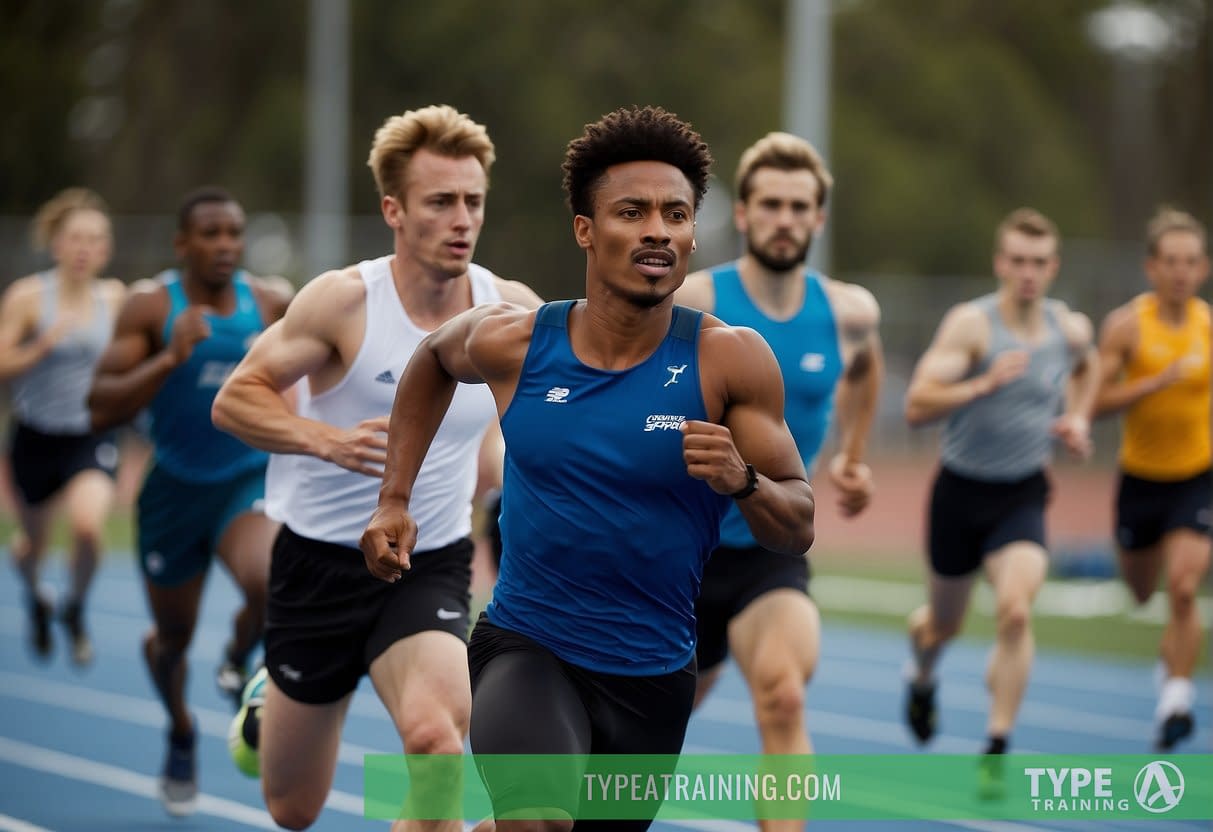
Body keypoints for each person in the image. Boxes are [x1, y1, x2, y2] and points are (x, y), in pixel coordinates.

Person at [361, 105, 816, 832]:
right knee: (538, 820)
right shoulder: (516, 343)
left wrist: (743, 481)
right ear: (585, 230)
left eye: (674, 214)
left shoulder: (729, 358)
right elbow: (431, 362)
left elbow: (797, 525)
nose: (656, 230)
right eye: (631, 212)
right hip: (528, 647)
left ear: (694, 232)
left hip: (655, 675)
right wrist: (394, 497)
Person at [212, 105, 541, 832]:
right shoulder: (343, 303)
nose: (462, 219)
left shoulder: (508, 309)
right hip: (316, 566)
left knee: (434, 744)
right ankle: (271, 694)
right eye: (440, 202)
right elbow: (235, 401)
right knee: (293, 809)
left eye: (473, 201)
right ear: (393, 209)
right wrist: (319, 439)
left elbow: (574, 400)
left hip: (427, 562)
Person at [672, 132, 880, 824]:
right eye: (770, 204)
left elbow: (864, 367)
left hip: (770, 546)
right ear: (744, 214)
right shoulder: (697, 296)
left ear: (818, 218)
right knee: (648, 735)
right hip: (679, 551)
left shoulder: (850, 311)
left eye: (799, 206)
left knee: (782, 696)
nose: (784, 219)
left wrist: (851, 453)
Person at [87, 186, 292, 817]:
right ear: (183, 244)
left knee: (270, 582)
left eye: (234, 233)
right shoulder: (151, 307)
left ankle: (235, 663)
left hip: (245, 480)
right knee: (171, 639)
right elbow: (100, 406)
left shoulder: (271, 303)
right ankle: (180, 727)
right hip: (173, 491)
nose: (226, 246)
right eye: (211, 234)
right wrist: (170, 359)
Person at [901, 208, 1098, 792]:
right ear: (999, 263)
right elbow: (916, 406)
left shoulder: (1071, 330)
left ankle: (996, 745)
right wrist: (982, 383)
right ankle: (922, 677)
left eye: (1039, 262)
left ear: (1054, 267)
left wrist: (1079, 418)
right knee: (942, 626)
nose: (1028, 273)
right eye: (1017, 261)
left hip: (1023, 492)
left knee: (1016, 610)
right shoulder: (973, 327)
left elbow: (1089, 370)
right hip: (959, 495)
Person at [1092, 207, 1210, 751]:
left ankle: (1176, 700)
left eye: (1191, 261)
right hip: (1140, 480)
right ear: (1152, 268)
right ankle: (1172, 675)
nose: (1182, 272)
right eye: (1172, 262)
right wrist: (1154, 382)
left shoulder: (1209, 328)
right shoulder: (1127, 326)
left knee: (1184, 588)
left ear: (1203, 268)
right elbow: (1093, 402)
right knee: (1142, 593)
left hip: (1197, 476)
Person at [0, 188, 126, 666]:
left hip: (89, 435)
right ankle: (36, 595)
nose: (84, 248)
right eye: (75, 238)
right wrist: (39, 347)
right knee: (30, 546)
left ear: (106, 249)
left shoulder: (114, 297)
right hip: (35, 437)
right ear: (56, 244)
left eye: (95, 239)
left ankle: (73, 606)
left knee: (89, 527)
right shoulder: (30, 297)